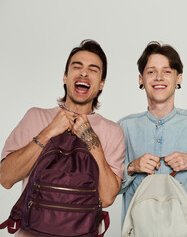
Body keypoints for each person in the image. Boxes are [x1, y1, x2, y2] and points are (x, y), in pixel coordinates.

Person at [0, 39, 125, 237]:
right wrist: (49, 131)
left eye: (93, 69)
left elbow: (108, 197)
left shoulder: (112, 131)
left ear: (101, 84)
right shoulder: (35, 117)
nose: (84, 73)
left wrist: (92, 141)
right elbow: (5, 178)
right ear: (65, 77)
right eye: (77, 67)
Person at [118, 41, 187, 237]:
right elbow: (107, 188)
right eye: (151, 72)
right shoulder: (124, 128)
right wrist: (132, 167)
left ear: (179, 78)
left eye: (167, 71)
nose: (159, 77)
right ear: (141, 79)